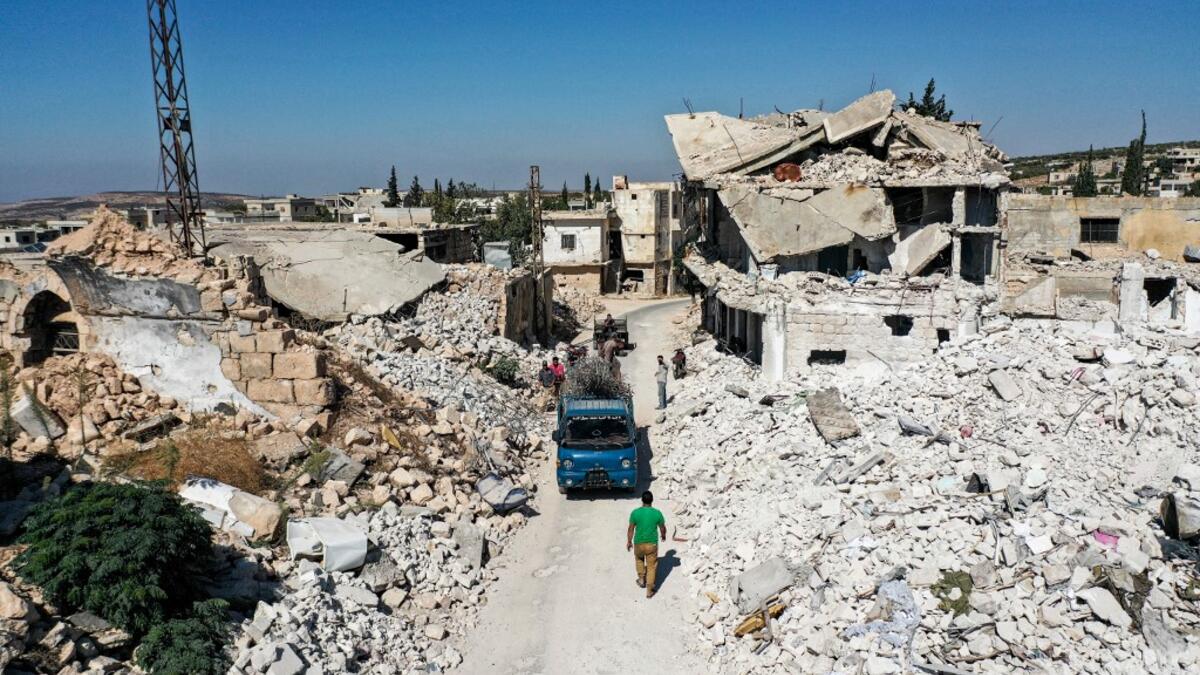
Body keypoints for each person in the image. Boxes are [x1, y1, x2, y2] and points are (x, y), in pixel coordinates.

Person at [627, 491, 667, 598]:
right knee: (651, 567)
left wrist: (629, 541)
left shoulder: (635, 513)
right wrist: (663, 536)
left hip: (638, 543)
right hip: (651, 545)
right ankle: (649, 591)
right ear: (652, 500)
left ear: (642, 500)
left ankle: (641, 579)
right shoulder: (657, 513)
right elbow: (662, 527)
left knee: (639, 560)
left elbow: (630, 529)